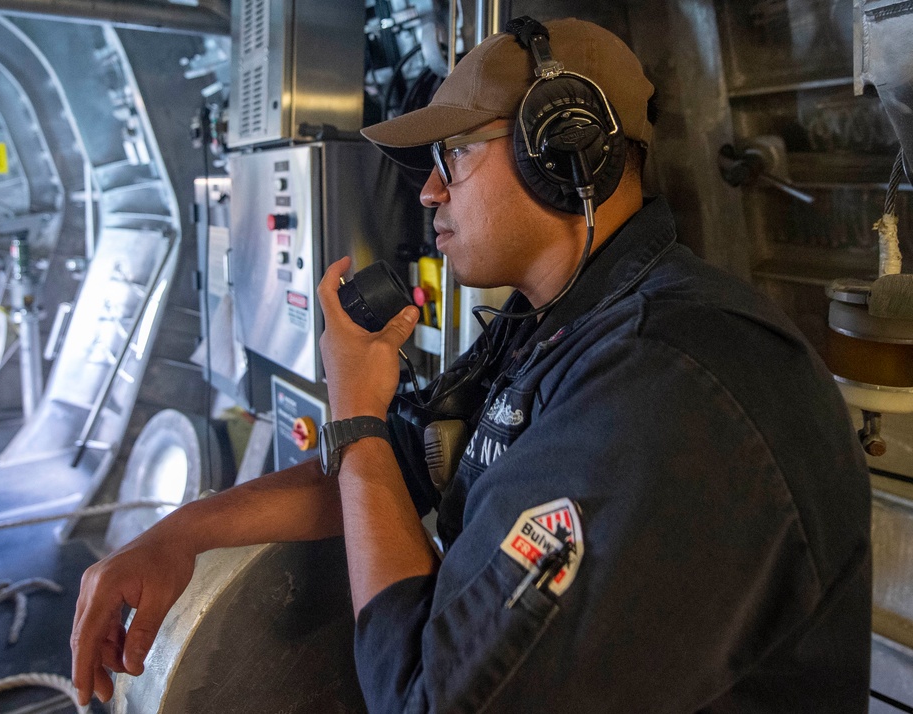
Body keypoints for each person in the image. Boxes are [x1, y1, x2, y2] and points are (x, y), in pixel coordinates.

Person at [71, 16, 871, 712]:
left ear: (561, 149)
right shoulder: (552, 323)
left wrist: (356, 410)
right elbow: (403, 467)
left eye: (454, 152)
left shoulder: (669, 382)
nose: (427, 193)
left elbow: (426, 697)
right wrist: (181, 533)